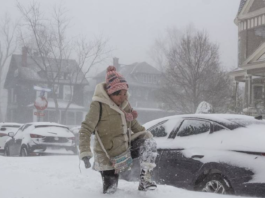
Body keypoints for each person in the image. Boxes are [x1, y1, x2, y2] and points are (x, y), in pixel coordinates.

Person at [79, 66, 157, 194]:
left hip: (125, 149)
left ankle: (145, 180)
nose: (123, 97)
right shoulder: (98, 105)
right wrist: (85, 152)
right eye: (119, 94)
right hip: (107, 156)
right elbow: (85, 128)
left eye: (125, 93)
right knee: (111, 191)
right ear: (110, 93)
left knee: (149, 142)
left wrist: (148, 136)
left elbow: (135, 125)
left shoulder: (125, 105)